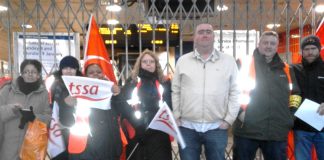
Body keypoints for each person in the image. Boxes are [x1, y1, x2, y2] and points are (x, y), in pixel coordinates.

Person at [172, 23, 240, 160]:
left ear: (214, 37)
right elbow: (176, 90)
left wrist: (229, 120)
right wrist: (177, 115)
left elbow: (235, 92)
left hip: (217, 127)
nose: (205, 34)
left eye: (208, 32)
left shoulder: (228, 61)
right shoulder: (183, 61)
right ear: (194, 37)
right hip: (187, 127)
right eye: (201, 32)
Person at [232, 31, 301, 160]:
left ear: (277, 46)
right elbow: (230, 90)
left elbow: (295, 95)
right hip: (247, 129)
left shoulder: (287, 69)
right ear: (259, 44)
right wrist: (240, 113)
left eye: (272, 43)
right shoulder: (244, 63)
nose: (268, 46)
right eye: (265, 43)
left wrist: (290, 117)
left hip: (276, 132)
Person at [118, 49, 172, 160]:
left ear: (156, 65)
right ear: (140, 64)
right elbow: (124, 106)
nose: (148, 64)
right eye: (145, 61)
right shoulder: (131, 83)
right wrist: (138, 125)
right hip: (137, 130)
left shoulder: (164, 83)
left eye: (152, 61)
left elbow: (169, 106)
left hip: (159, 132)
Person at [67, 62, 122, 160]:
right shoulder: (77, 92)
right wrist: (67, 106)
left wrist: (118, 95)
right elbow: (66, 120)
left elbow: (124, 111)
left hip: (110, 145)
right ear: (85, 76)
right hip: (86, 147)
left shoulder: (112, 91)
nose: (95, 74)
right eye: (91, 72)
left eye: (98, 72)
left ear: (103, 74)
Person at [0, 59, 52, 160]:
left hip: (31, 147)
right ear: (22, 74)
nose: (29, 74)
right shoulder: (8, 89)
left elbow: (49, 118)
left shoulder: (44, 93)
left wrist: (34, 117)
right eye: (26, 71)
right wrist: (12, 110)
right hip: (8, 145)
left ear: (38, 75)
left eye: (33, 72)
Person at [292, 35, 324, 160]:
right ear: (302, 51)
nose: (310, 52)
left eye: (313, 48)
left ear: (319, 49)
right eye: (306, 49)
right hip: (301, 127)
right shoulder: (293, 69)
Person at [49, 55, 82, 160]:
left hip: (80, 127)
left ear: (76, 70)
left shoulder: (83, 84)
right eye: (65, 68)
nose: (69, 71)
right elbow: (52, 106)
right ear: (61, 70)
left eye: (72, 68)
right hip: (61, 128)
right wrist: (65, 104)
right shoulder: (55, 85)